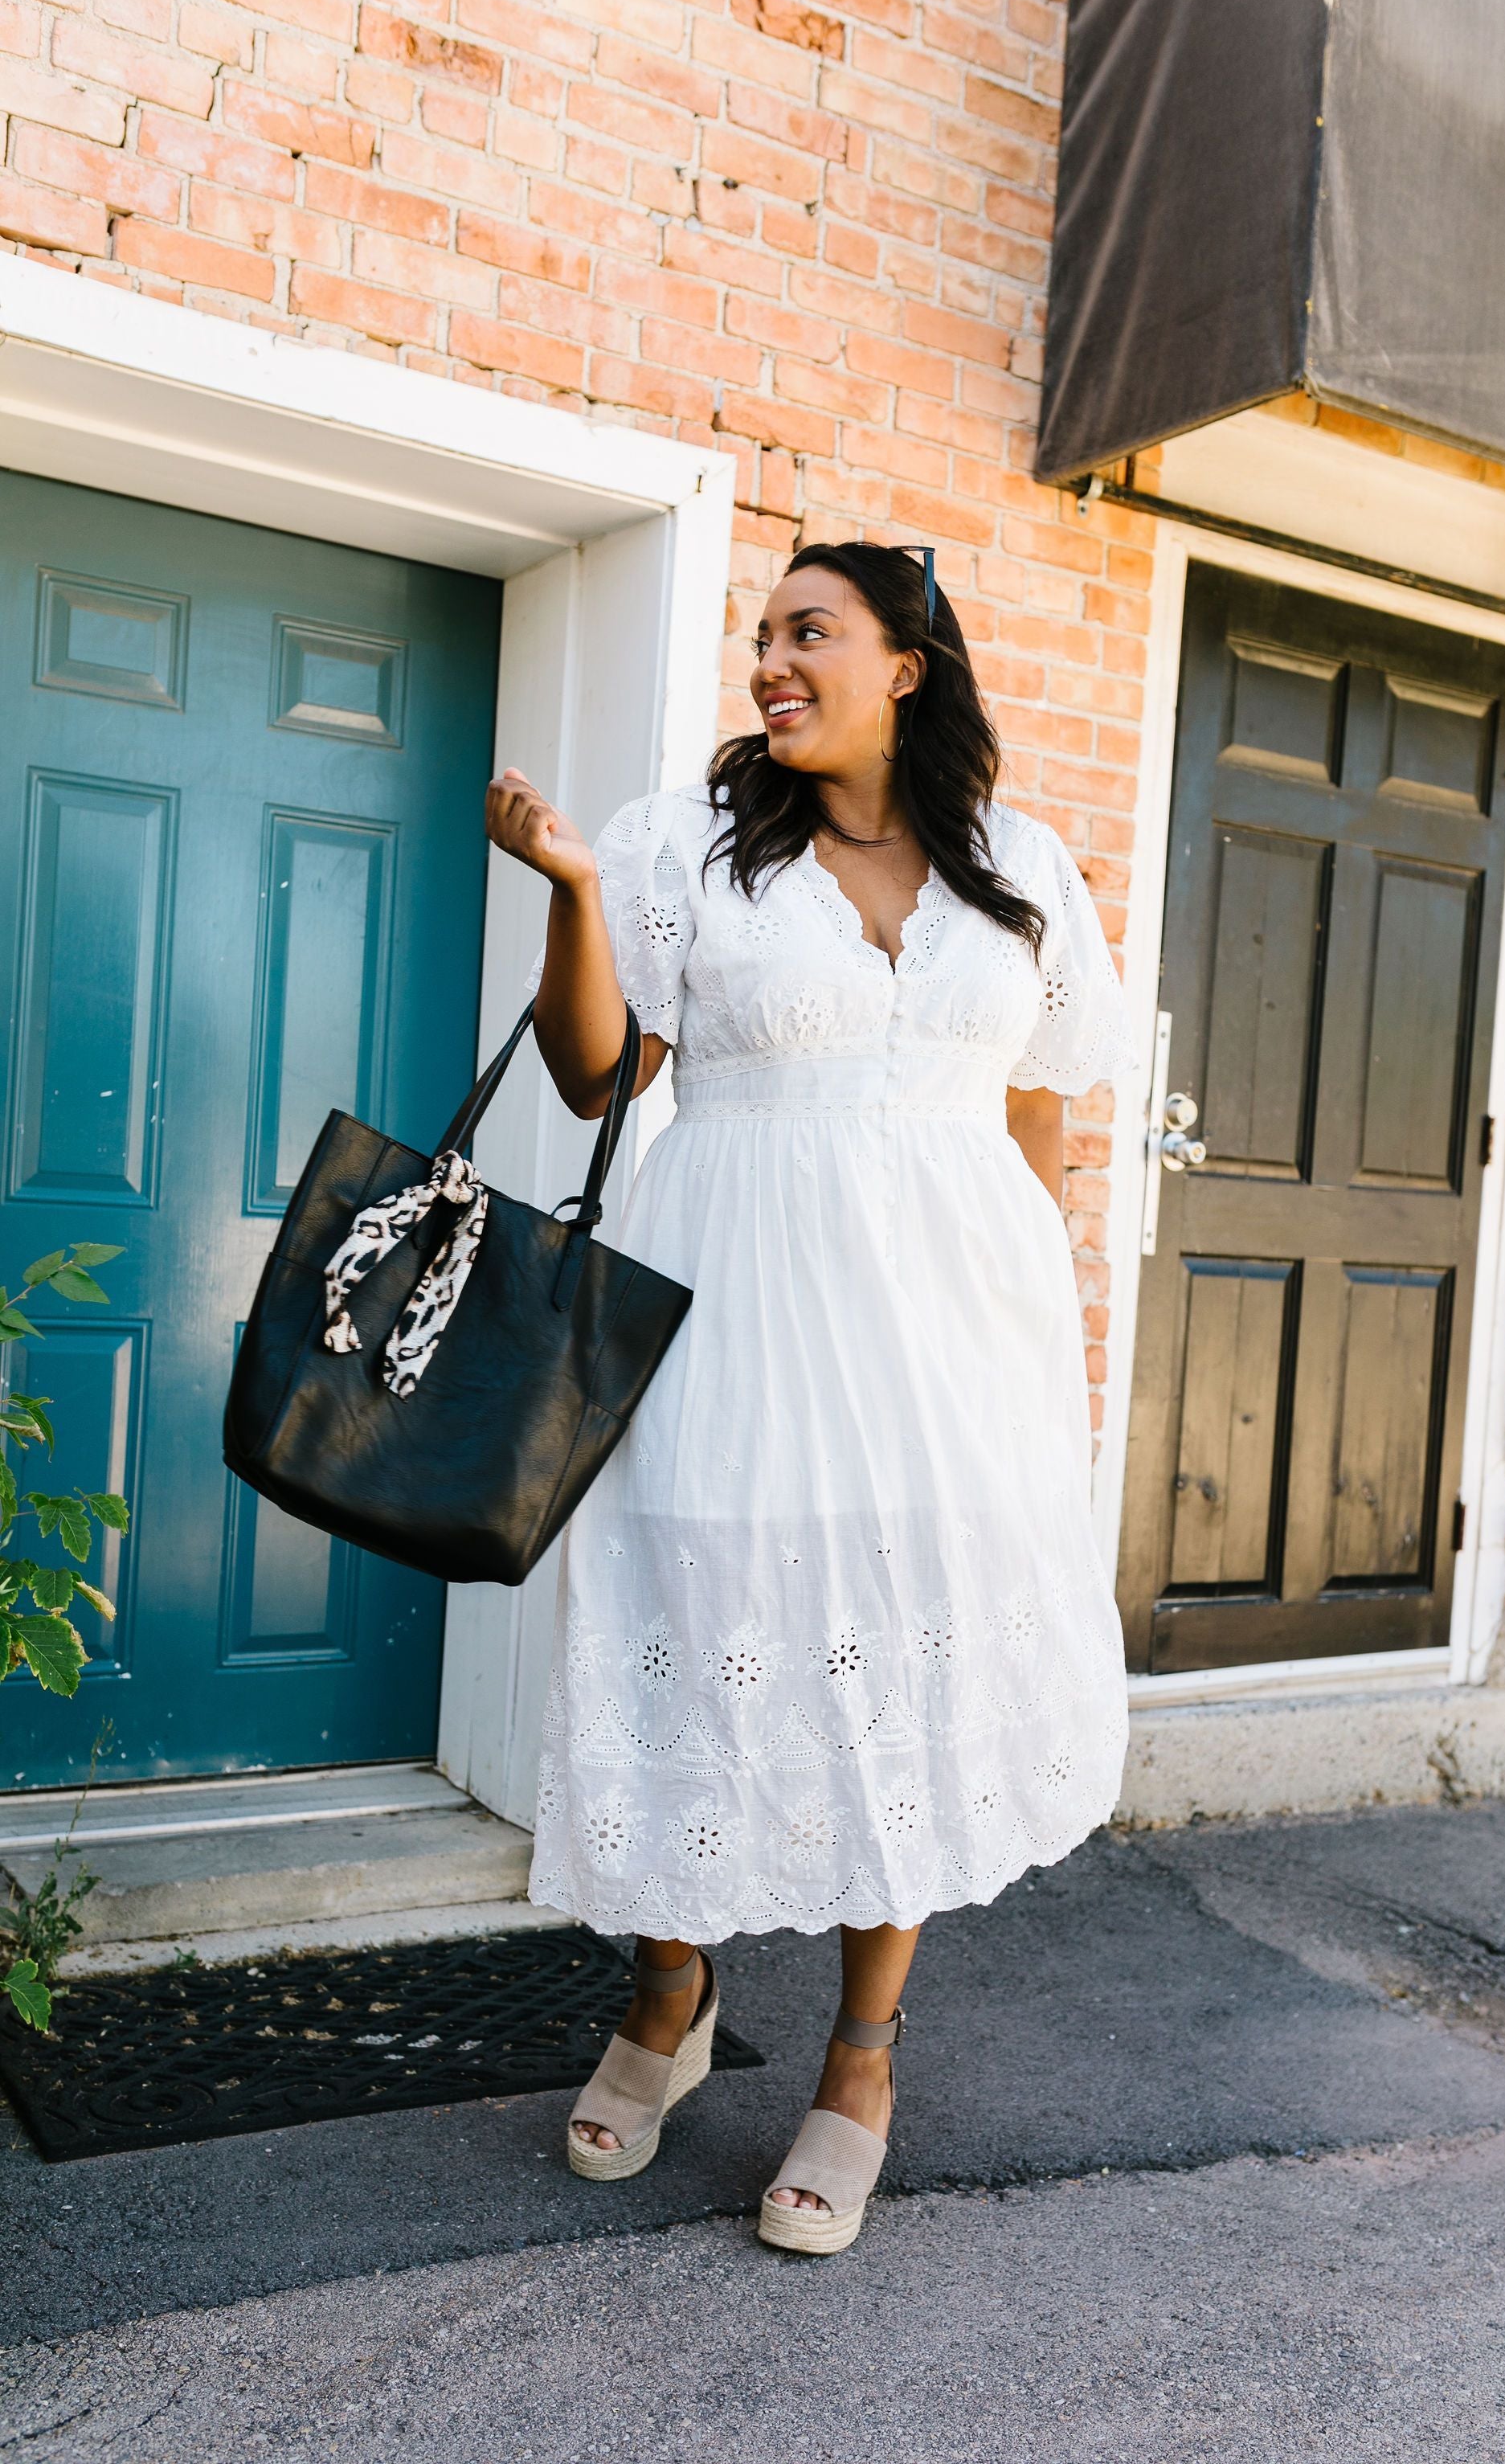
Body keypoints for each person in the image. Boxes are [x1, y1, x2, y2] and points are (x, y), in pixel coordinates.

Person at [485, 540, 1135, 2256]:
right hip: (733, 1313)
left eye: (807, 632)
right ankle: (673, 1992)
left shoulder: (1019, 865)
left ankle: (860, 2059)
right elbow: (594, 1069)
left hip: (950, 1346)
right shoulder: (678, 848)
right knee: (696, 1631)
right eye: (759, 636)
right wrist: (564, 883)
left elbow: (1041, 1108)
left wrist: (1036, 1323)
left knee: (903, 1664)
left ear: (906, 662)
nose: (768, 660)